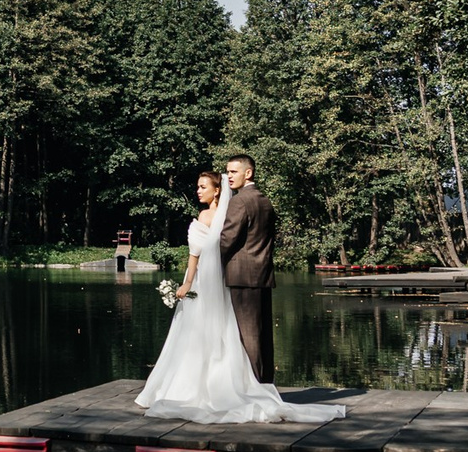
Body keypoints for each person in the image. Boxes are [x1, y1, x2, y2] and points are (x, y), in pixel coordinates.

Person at [134, 169, 345, 424]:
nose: (198, 191)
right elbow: (196, 254)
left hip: (218, 282)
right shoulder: (213, 215)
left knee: (217, 331)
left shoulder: (223, 215)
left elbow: (208, 252)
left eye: (203, 187)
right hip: (210, 282)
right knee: (199, 332)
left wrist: (193, 279)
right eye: (198, 186)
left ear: (216, 190)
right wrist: (188, 281)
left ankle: (214, 386)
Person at [217, 153, 278, 382]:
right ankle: (266, 384)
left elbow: (227, 239)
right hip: (262, 274)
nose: (229, 176)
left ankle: (255, 389)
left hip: (242, 275)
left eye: (233, 172)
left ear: (248, 173)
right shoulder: (264, 200)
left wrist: (209, 261)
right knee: (263, 335)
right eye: (228, 172)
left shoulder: (239, 201)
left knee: (248, 334)